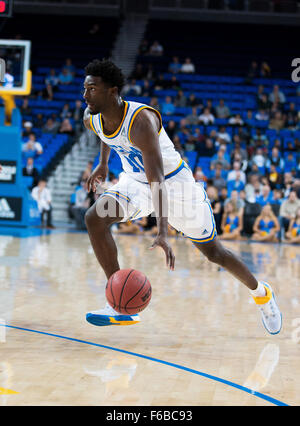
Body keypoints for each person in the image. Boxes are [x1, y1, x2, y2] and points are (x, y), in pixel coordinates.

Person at [82, 59, 281, 334]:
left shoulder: (141, 121)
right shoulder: (91, 115)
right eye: (85, 88)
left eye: (92, 89)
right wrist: (103, 164)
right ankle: (119, 304)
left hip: (175, 186)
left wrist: (163, 230)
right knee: (95, 218)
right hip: (136, 184)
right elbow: (105, 132)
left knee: (214, 253)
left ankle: (262, 294)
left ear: (112, 91)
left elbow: (158, 180)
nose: (85, 94)